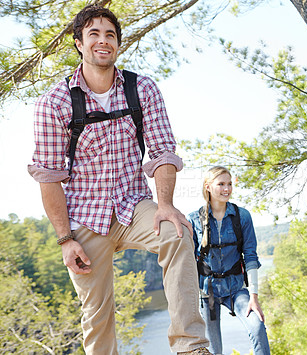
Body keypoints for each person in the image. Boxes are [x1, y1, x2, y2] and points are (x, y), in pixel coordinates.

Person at [27, 4, 211, 355]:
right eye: (93, 34)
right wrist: (66, 239)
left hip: (133, 205)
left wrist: (167, 206)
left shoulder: (142, 90)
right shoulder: (55, 102)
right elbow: (48, 177)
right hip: (84, 217)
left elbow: (162, 153)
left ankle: (190, 346)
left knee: (177, 232)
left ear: (118, 44)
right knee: (97, 316)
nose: (102, 41)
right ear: (79, 43)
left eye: (110, 35)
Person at [187, 166, 270, 355]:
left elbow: (250, 256)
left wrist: (254, 297)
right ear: (208, 187)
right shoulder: (193, 219)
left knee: (257, 328)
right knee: (215, 350)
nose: (227, 189)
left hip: (236, 289)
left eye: (230, 184)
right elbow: (189, 263)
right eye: (221, 184)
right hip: (208, 294)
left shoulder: (242, 216)